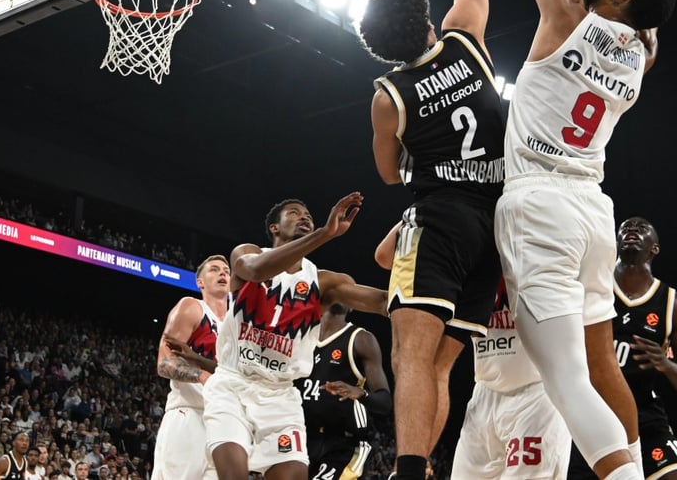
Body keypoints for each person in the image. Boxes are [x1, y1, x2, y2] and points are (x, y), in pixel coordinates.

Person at [492, 0, 677, 480]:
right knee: (596, 362)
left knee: (564, 380)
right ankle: (637, 469)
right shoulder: (641, 49)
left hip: (541, 206)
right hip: (592, 214)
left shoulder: (562, 13)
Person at [355, 0, 505, 480]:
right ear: (424, 15)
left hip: (438, 218)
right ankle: (419, 468)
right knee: (440, 366)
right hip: (494, 224)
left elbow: (389, 174)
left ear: (378, 48)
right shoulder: (467, 39)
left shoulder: (388, 95)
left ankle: (410, 472)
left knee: (409, 354)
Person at [200, 193, 388, 480]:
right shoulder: (247, 252)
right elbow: (255, 270)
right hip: (232, 385)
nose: (304, 217)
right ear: (274, 228)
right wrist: (326, 234)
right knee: (233, 474)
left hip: (281, 395)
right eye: (293, 213)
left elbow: (384, 302)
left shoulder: (322, 281)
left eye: (308, 215)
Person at [374, 224, 571, 479]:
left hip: (537, 393)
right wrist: (426, 209)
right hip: (485, 393)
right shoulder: (467, 252)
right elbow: (385, 256)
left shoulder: (530, 239)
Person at [568, 218, 677, 480]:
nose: (631, 230)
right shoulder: (591, 287)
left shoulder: (673, 304)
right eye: (625, 228)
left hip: (644, 417)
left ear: (655, 248)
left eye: (641, 228)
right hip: (589, 413)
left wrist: (667, 365)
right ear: (616, 242)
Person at [151, 254, 231, 480]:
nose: (223, 273)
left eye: (226, 270)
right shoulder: (192, 307)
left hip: (224, 421)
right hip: (189, 415)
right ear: (200, 282)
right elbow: (164, 363)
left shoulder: (238, 324)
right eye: (214, 269)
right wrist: (203, 376)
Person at [294, 303, 391, 480]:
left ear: (352, 306)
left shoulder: (361, 339)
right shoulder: (301, 336)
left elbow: (385, 403)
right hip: (301, 438)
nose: (340, 293)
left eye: (346, 292)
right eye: (336, 288)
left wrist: (361, 393)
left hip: (344, 444)